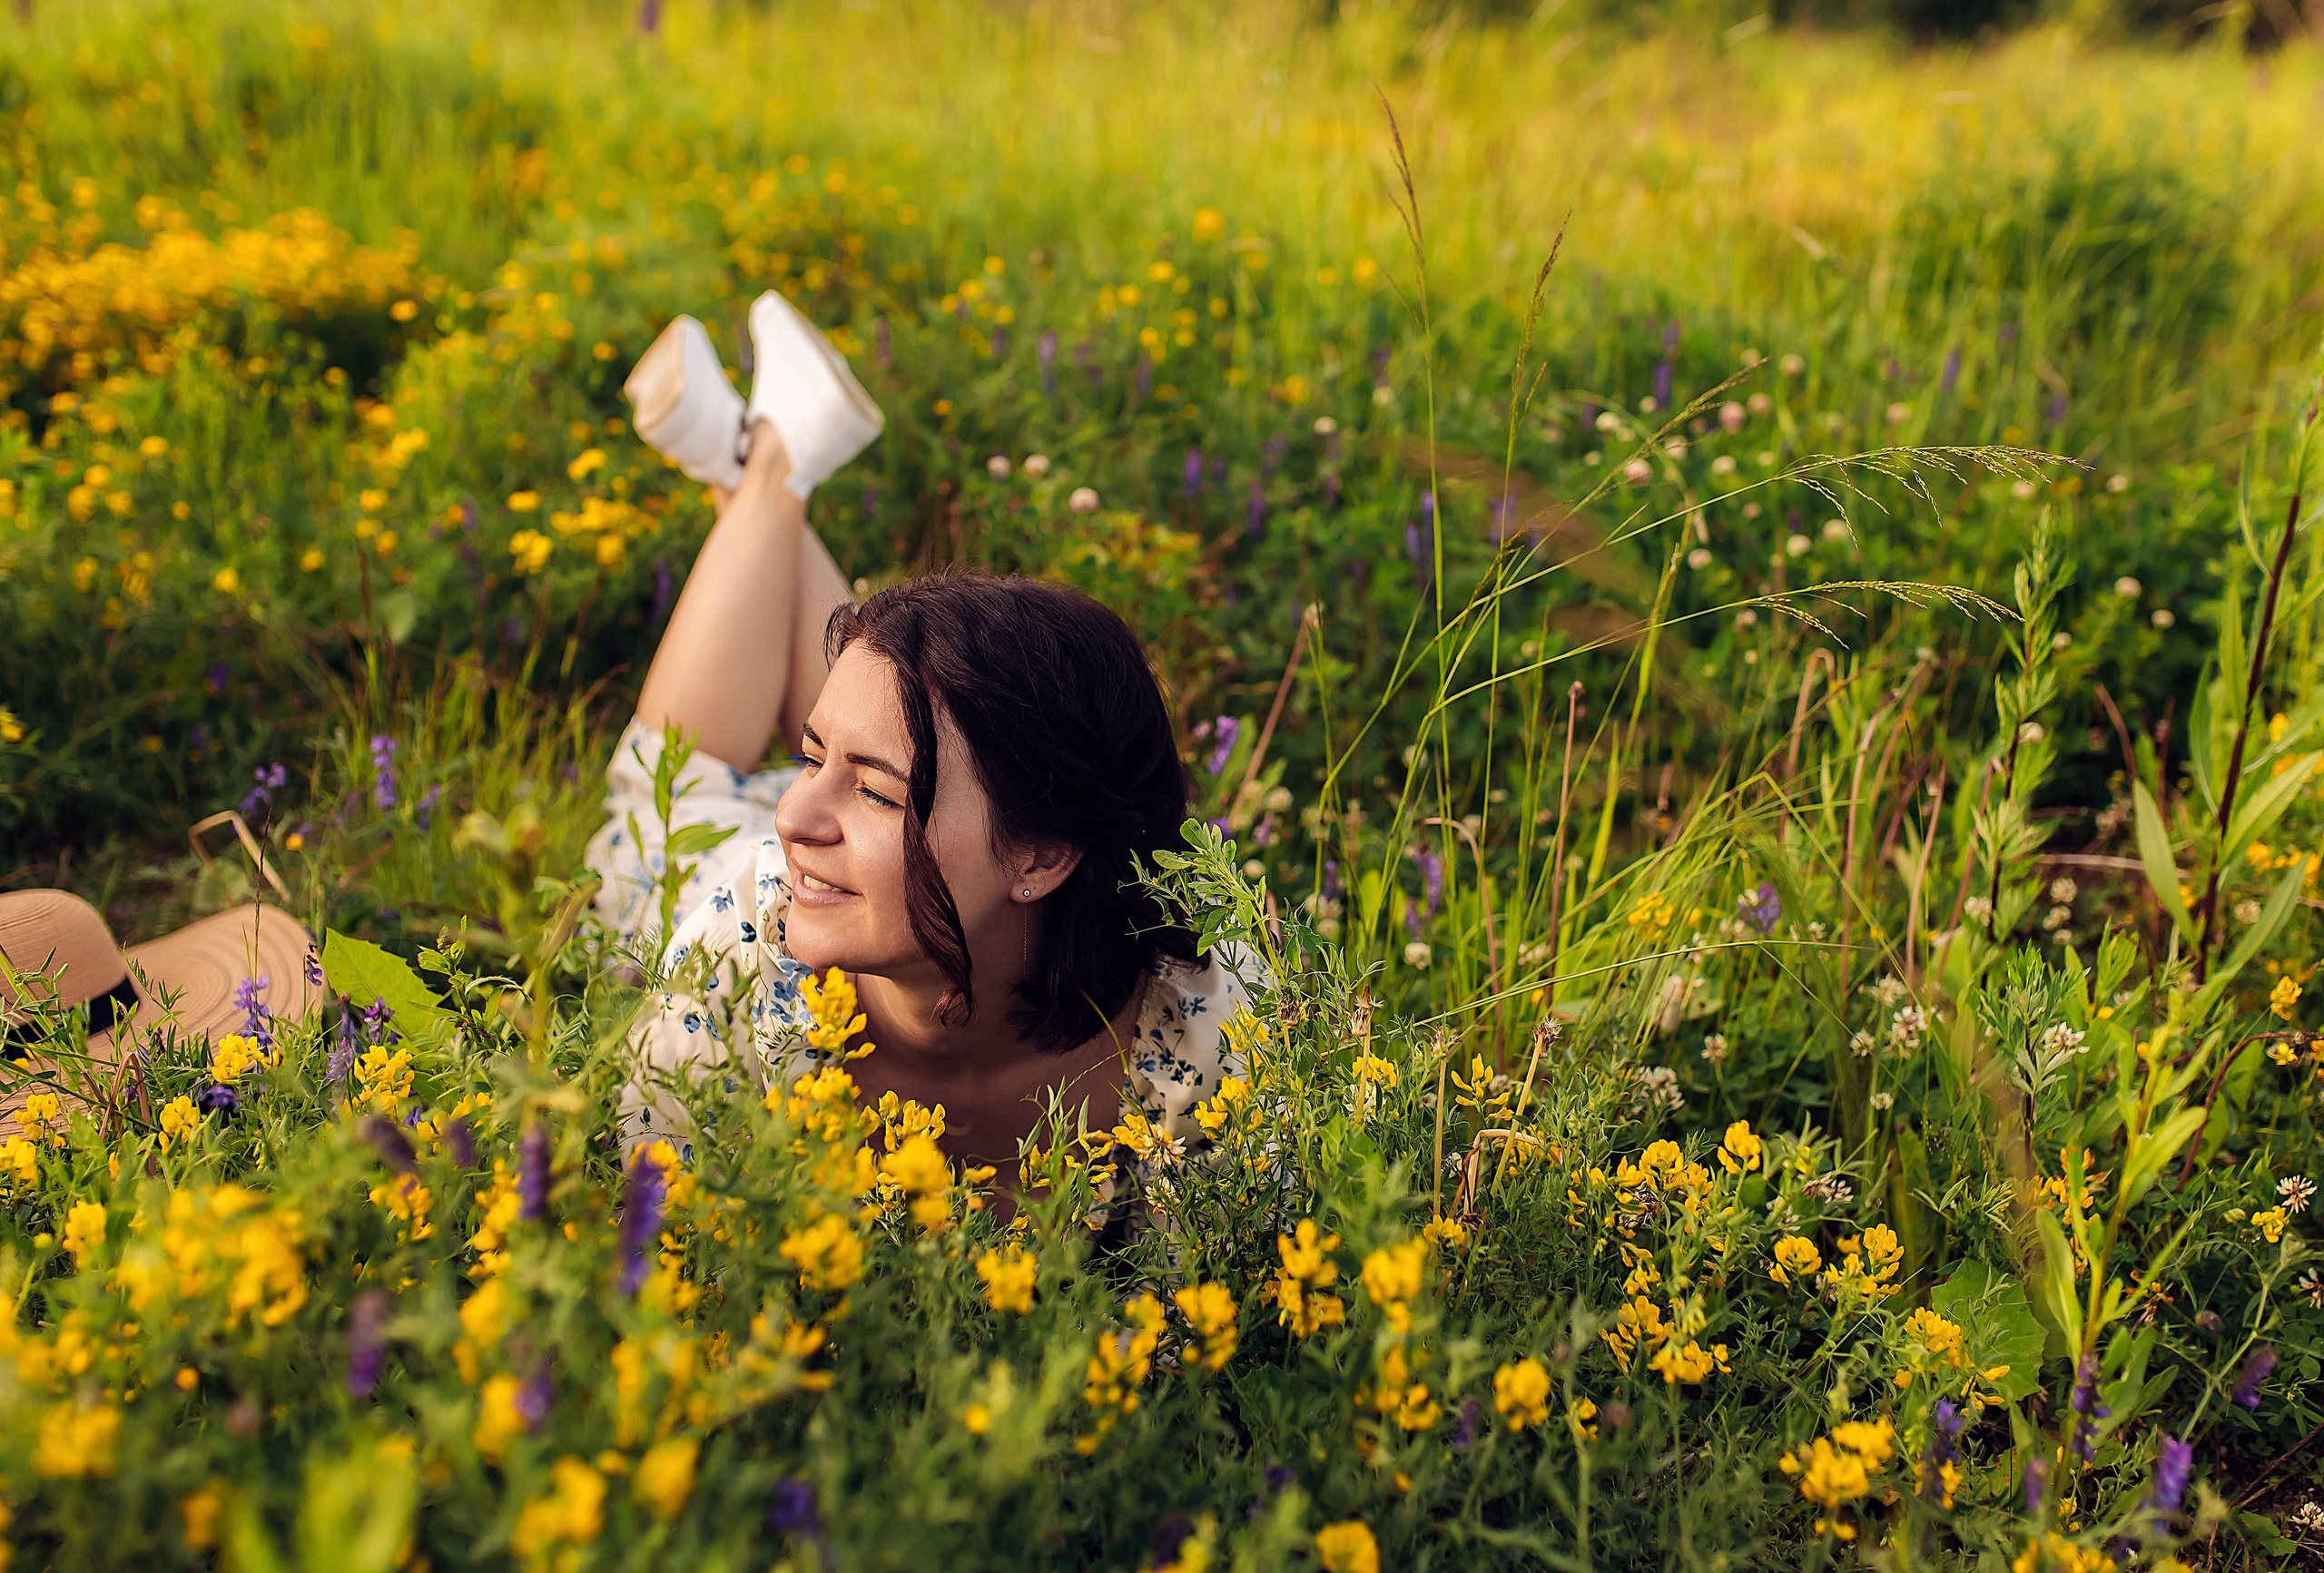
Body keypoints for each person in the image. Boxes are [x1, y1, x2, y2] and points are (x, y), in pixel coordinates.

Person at [588, 291, 1248, 1219]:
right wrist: (856, 781)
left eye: (875, 789)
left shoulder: (1205, 1029)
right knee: (660, 803)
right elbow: (669, 1260)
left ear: (1041, 852)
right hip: (711, 872)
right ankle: (772, 464)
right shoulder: (739, 946)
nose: (794, 812)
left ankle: (758, 461)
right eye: (811, 754)